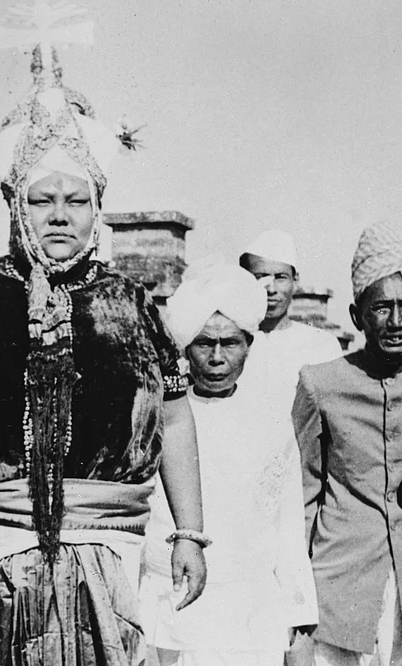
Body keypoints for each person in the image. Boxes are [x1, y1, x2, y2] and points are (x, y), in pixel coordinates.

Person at [0, 39, 207, 666]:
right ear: (12, 201)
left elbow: (176, 417)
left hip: (105, 547)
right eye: (41, 199)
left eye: (76, 201)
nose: (60, 217)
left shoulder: (129, 303)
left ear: (97, 209)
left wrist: (189, 531)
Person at [139, 257, 317, 666]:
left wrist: (300, 622)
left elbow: (288, 526)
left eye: (230, 343)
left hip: (249, 614)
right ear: (185, 347)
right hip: (168, 606)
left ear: (249, 345)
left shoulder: (272, 421)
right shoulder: (158, 419)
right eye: (205, 343)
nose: (217, 357)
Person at [295, 219, 402, 666]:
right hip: (338, 584)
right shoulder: (320, 384)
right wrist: (297, 599)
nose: (396, 321)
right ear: (356, 315)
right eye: (381, 308)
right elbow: (304, 496)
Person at [238, 230, 342, 414]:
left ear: (295, 281)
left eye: (280, 277)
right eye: (260, 277)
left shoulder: (323, 345)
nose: (271, 289)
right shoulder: (228, 344)